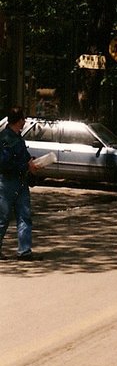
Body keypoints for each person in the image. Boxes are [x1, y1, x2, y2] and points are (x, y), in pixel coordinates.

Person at [0, 107, 38, 260]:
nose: (25, 122)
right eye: (23, 119)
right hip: (7, 182)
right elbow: (4, 164)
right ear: (18, 120)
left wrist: (32, 163)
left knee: (25, 215)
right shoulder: (4, 139)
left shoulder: (18, 136)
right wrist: (25, 166)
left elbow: (24, 156)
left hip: (21, 182)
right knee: (3, 217)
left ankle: (25, 251)